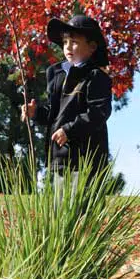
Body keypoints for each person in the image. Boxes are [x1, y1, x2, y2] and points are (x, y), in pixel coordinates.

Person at [21, 15, 112, 187]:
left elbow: (98, 113)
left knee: (83, 208)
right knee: (61, 209)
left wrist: (69, 130)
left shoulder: (96, 77)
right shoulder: (57, 75)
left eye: (74, 42)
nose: (68, 47)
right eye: (65, 42)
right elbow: (54, 113)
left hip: (86, 158)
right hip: (59, 157)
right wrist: (36, 113)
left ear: (92, 47)